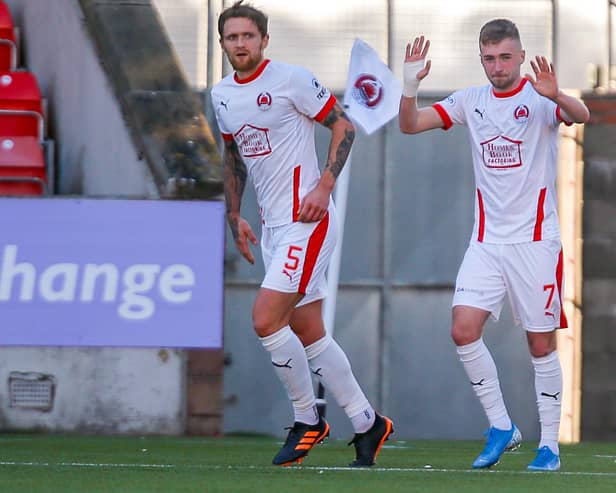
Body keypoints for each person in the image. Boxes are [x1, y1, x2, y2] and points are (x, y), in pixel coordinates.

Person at [399, 19, 590, 471]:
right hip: (486, 242)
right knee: (463, 330)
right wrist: (409, 84)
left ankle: (549, 447)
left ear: (520, 57)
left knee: (540, 345)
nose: (497, 67)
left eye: (505, 57)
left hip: (536, 242)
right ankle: (501, 426)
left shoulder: (540, 99)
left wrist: (557, 96)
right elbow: (410, 125)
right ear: (480, 58)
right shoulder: (471, 100)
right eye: (489, 58)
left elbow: (581, 115)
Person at [211, 1, 393, 467]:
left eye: (248, 36)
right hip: (273, 227)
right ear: (223, 43)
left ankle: (307, 418)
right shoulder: (222, 95)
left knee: (265, 319)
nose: (240, 44)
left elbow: (343, 126)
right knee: (307, 329)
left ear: (264, 39)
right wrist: (235, 216)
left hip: (307, 221)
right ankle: (367, 421)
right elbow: (234, 158)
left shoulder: (291, 78)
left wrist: (324, 184)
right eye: (232, 38)